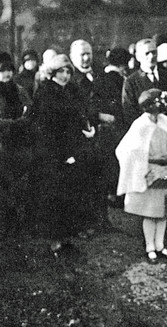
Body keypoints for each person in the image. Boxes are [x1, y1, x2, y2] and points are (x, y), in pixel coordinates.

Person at [28, 54, 97, 252]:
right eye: (61, 71)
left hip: (71, 147)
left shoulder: (71, 90)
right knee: (55, 194)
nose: (65, 75)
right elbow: (45, 125)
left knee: (70, 193)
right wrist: (61, 152)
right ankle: (54, 239)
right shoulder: (46, 92)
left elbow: (79, 114)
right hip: (52, 150)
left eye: (68, 72)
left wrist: (87, 129)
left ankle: (67, 236)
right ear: (53, 72)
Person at [116, 88, 167, 264]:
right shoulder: (140, 125)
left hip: (166, 170)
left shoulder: (166, 121)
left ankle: (160, 244)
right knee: (151, 212)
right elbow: (125, 149)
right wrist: (152, 158)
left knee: (163, 211)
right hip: (149, 172)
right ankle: (150, 247)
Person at [94, 47, 133, 207]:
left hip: (107, 127)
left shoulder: (101, 77)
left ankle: (113, 193)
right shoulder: (117, 79)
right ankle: (117, 194)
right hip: (117, 126)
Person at [0, 52, 31, 119]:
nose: (7, 73)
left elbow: (28, 107)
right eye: (2, 70)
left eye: (9, 69)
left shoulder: (19, 90)